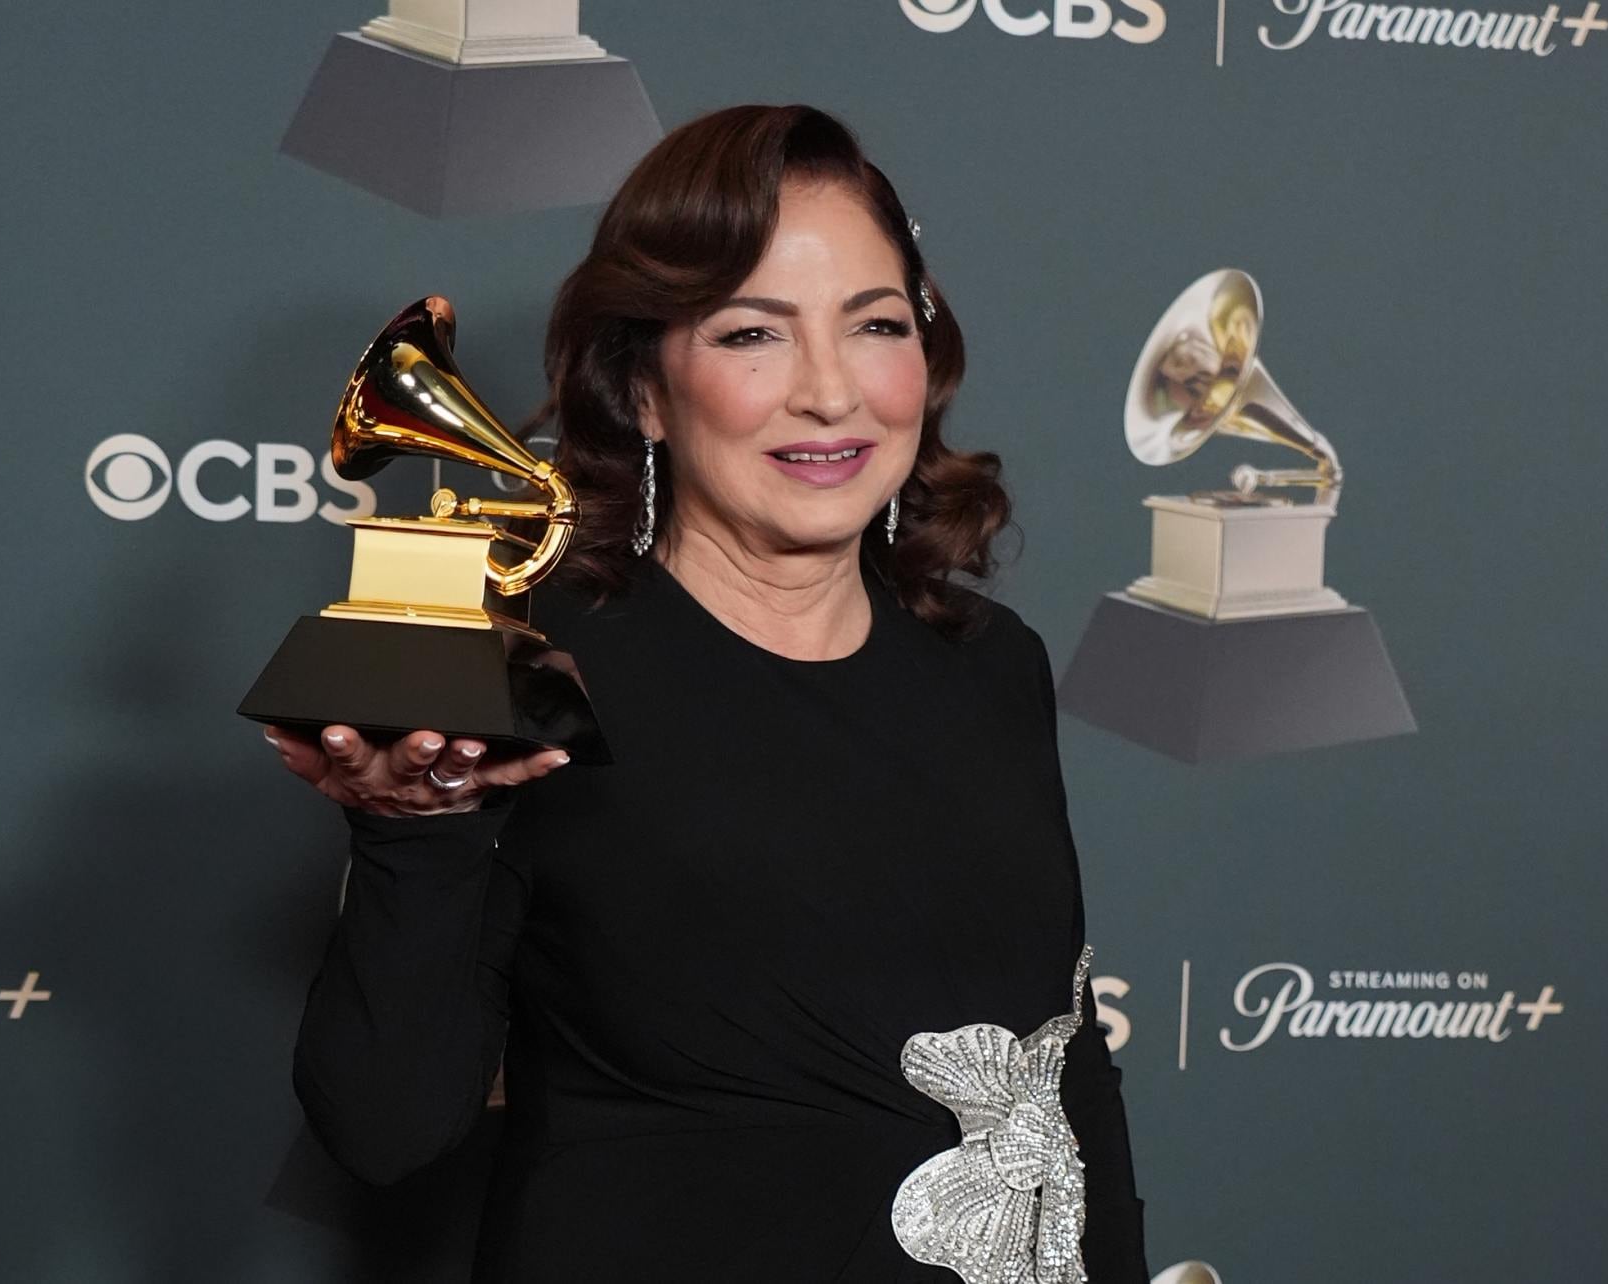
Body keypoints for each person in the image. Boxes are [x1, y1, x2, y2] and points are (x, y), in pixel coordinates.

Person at [263, 103, 1149, 1282]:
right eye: (752, 335)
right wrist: (412, 832)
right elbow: (385, 1127)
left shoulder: (991, 662)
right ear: (642, 390)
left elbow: (1062, 1076)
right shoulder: (527, 665)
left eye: (875, 324)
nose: (831, 393)